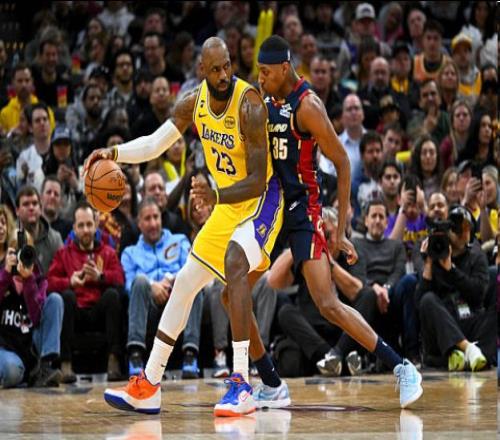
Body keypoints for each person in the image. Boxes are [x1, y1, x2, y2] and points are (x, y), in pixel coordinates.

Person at [84, 37, 288, 416]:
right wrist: (113, 153)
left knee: (234, 261)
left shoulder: (250, 105)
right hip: (225, 204)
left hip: (261, 202)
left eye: (227, 66)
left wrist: (214, 196)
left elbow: (258, 181)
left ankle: (241, 383)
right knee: (185, 283)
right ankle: (149, 383)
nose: (224, 75)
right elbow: (155, 144)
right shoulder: (193, 103)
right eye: (216, 69)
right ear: (201, 71)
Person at [257, 35, 422, 408]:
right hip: (273, 205)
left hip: (303, 210)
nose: (261, 78)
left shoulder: (308, 105)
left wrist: (343, 229)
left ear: (285, 67)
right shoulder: (266, 98)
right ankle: (263, 380)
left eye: (266, 72)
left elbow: (343, 163)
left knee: (328, 303)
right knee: (238, 285)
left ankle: (401, 367)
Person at [47, 201, 125, 383]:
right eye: (81, 226)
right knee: (66, 296)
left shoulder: (107, 252)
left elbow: (120, 278)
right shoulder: (63, 254)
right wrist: (70, 282)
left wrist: (101, 277)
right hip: (76, 312)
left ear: (96, 225)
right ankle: (65, 364)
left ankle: (113, 361)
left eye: (89, 224)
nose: (86, 230)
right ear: (74, 228)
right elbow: (49, 283)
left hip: (98, 311)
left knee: (113, 296)